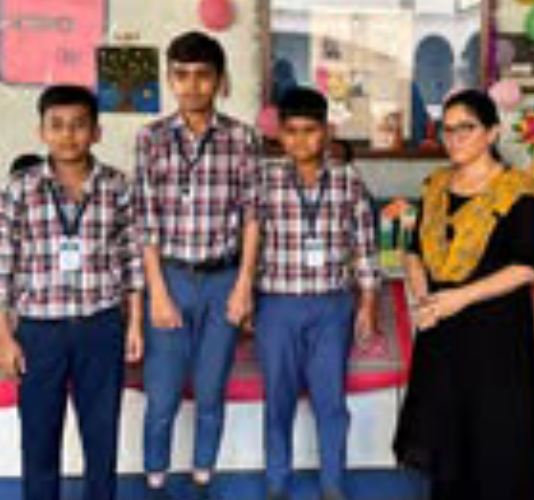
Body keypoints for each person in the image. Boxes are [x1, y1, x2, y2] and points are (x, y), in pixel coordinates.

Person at [393, 88, 534, 500]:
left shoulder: (519, 191)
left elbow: (527, 265)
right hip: (442, 333)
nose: (455, 138)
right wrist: (424, 300)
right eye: (448, 129)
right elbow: (414, 252)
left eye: (467, 128)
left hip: (495, 337)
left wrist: (460, 298)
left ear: (492, 133)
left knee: (494, 443)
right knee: (447, 442)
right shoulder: (436, 186)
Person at [134, 31, 262, 499]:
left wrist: (244, 285)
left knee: (210, 391)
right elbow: (145, 221)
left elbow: (252, 215)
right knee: (163, 395)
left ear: (219, 80)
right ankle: (155, 479)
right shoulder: (150, 139)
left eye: (202, 75)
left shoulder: (242, 138)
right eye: (181, 75)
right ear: (170, 79)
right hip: (169, 278)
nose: (191, 85)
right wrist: (157, 292)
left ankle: (203, 476)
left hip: (223, 278)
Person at [0, 84, 144, 500]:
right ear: (41, 131)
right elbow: (3, 266)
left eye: (79, 125)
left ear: (96, 132)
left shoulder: (118, 186)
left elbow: (132, 259)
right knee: (39, 436)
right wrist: (5, 338)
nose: (68, 135)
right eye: (57, 125)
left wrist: (134, 324)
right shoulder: (18, 189)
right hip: (39, 331)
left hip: (100, 326)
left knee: (101, 436)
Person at [255, 86, 381, 500]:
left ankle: (332, 482)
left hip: (331, 306)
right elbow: (250, 244)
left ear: (326, 132)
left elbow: (364, 247)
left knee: (331, 400)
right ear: (279, 134)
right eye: (291, 131)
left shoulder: (347, 181)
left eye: (310, 131)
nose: (300, 140)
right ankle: (276, 481)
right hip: (277, 305)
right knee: (278, 400)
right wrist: (245, 299)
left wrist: (367, 305)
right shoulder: (265, 180)